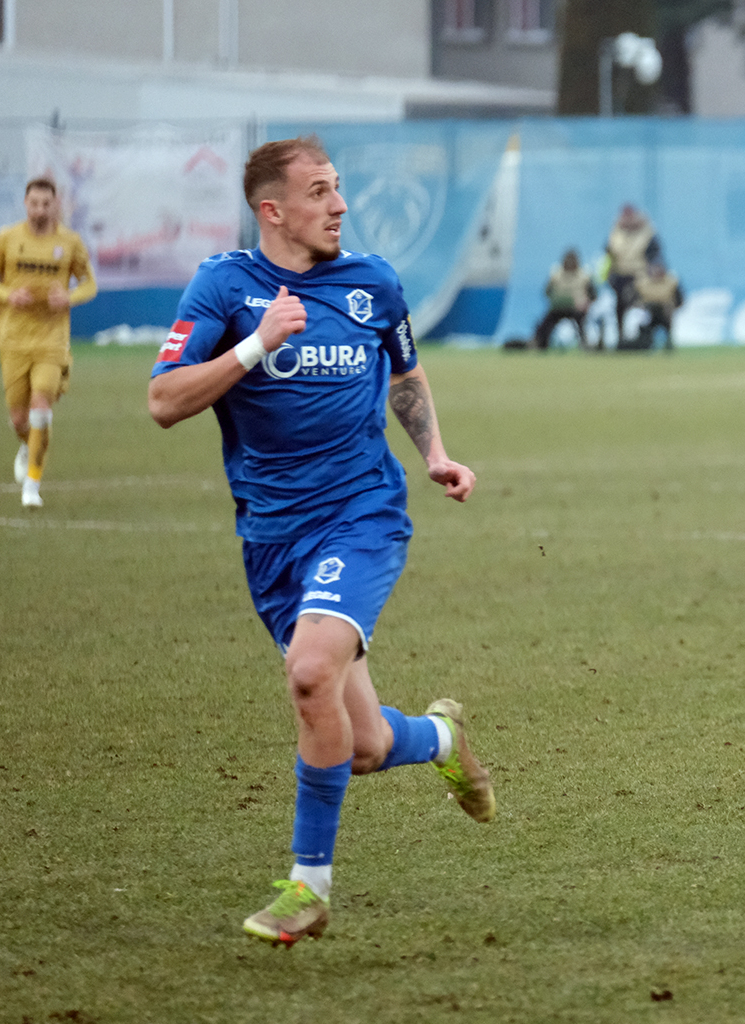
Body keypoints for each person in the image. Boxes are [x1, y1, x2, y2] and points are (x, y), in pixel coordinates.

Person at [147, 136, 494, 945]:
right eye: (319, 192)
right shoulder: (223, 287)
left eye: (339, 189)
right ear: (273, 210)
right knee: (364, 745)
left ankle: (309, 886)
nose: (339, 205)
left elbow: (404, 374)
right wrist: (254, 344)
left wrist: (435, 455)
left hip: (362, 517)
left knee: (310, 677)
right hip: (272, 540)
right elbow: (164, 402)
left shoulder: (373, 283)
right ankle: (443, 738)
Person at [0, 178, 97, 509]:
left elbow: (89, 283)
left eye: (46, 203)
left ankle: (32, 487)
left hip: (52, 341)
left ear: (56, 205)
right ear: (25, 204)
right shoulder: (8, 239)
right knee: (20, 420)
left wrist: (67, 298)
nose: (40, 209)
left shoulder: (69, 242)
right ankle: (28, 446)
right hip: (14, 341)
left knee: (42, 407)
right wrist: (10, 295)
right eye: (34, 203)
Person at [605, 203, 660, 344]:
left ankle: (644, 337)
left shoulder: (647, 233)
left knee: (642, 306)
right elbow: (608, 256)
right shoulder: (616, 233)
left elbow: (655, 256)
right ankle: (621, 338)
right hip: (620, 277)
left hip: (640, 277)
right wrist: (608, 275)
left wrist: (652, 273)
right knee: (620, 307)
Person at [536, 248, 596, 349]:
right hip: (558, 308)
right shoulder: (556, 274)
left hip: (577, 309)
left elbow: (593, 295)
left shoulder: (584, 275)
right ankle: (540, 342)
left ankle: (585, 343)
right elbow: (547, 292)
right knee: (546, 322)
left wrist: (586, 302)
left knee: (582, 323)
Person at [628, 259, 683, 351]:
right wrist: (639, 305)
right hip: (648, 311)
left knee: (667, 313)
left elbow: (679, 300)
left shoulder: (671, 282)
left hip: (664, 312)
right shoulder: (642, 283)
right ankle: (643, 342)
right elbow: (631, 298)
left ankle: (668, 342)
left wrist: (673, 307)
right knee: (641, 316)